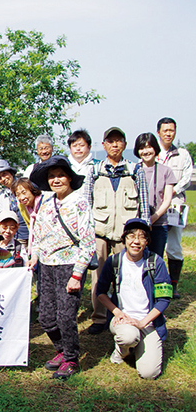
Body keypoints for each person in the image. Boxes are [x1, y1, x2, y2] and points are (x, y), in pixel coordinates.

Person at [28, 155, 96, 379]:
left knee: (66, 315)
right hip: (46, 266)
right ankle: (61, 349)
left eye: (60, 176)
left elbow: (88, 243)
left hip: (69, 265)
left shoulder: (80, 203)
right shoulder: (46, 203)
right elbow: (37, 234)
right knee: (46, 316)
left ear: (69, 178)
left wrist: (77, 275)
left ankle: (71, 358)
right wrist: (35, 256)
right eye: (51, 177)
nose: (56, 180)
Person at [85, 126, 150, 334]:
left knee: (126, 276)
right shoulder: (94, 171)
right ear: (103, 145)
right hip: (100, 232)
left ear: (125, 144)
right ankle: (99, 318)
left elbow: (144, 203)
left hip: (126, 235)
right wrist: (86, 230)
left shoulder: (135, 170)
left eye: (118, 141)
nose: (114, 144)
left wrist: (143, 232)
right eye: (110, 141)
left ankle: (124, 316)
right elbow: (86, 204)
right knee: (98, 276)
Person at [96, 218, 172, 380]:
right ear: (124, 239)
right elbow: (100, 292)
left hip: (148, 322)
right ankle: (121, 351)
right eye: (131, 236)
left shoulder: (156, 262)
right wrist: (117, 313)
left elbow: (164, 300)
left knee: (149, 373)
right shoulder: (114, 261)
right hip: (123, 320)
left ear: (147, 241)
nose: (136, 241)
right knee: (129, 336)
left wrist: (142, 323)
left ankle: (135, 346)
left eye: (142, 237)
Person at [156, 116, 194, 298]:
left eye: (171, 130)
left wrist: (171, 192)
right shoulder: (154, 153)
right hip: (156, 204)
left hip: (175, 204)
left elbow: (187, 177)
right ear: (159, 133)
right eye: (165, 130)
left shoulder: (183, 154)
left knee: (174, 243)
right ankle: (157, 280)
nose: (168, 133)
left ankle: (174, 284)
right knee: (156, 240)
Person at [134, 133, 176, 258]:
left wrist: (153, 218)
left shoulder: (166, 171)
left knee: (155, 259)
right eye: (142, 148)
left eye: (149, 147)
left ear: (155, 148)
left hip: (158, 224)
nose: (145, 151)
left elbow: (167, 199)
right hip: (137, 223)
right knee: (136, 259)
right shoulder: (133, 170)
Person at [0, 159, 29, 246]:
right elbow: (1, 215)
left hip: (32, 228)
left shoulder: (25, 185)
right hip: (16, 233)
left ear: (10, 173)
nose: (3, 179)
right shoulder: (1, 195)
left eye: (4, 174)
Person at [67, 129, 97, 195]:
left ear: (89, 147)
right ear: (70, 148)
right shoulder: (65, 166)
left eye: (82, 145)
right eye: (74, 146)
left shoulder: (97, 166)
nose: (78, 148)